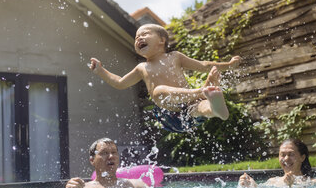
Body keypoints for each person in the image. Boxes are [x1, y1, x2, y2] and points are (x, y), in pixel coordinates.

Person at [89, 23, 241, 132]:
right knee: (158, 91)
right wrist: (101, 71)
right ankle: (203, 90)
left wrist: (228, 64)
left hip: (189, 106)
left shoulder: (175, 57)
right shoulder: (141, 68)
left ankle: (216, 109)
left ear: (162, 40)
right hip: (170, 115)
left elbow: (204, 65)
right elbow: (120, 83)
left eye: (145, 34)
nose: (139, 39)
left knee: (200, 108)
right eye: (136, 38)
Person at [46, 138, 148, 188]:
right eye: (104, 153)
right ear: (92, 160)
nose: (111, 156)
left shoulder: (137, 186)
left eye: (114, 152)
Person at [239, 139, 316, 188]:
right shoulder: (272, 182)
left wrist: (291, 186)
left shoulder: (312, 183)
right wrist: (253, 186)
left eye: (291, 154)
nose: (286, 158)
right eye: (282, 154)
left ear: (302, 157)